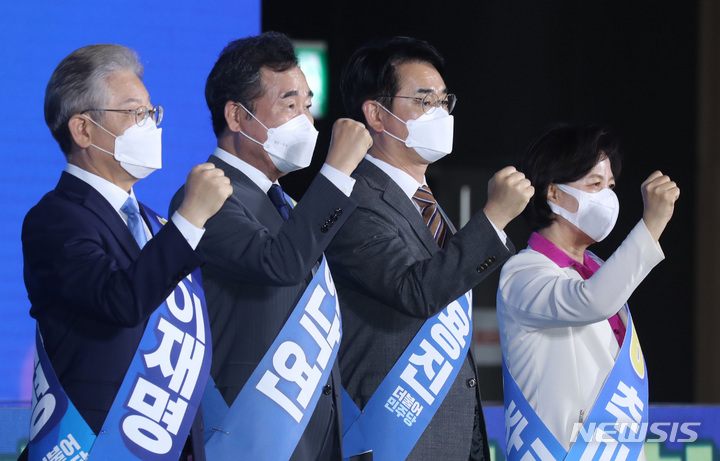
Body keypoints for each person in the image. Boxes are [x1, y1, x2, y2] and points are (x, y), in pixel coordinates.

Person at [324, 36, 534, 460]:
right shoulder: (354, 198)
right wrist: (493, 219)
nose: (439, 113)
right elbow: (416, 290)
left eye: (443, 101)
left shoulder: (426, 202)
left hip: (452, 431)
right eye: (423, 101)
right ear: (376, 114)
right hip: (392, 433)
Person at [21, 44, 232, 461]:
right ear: (83, 130)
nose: (151, 126)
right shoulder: (54, 219)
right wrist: (190, 219)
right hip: (95, 445)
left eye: (153, 113)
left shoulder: (157, 223)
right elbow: (120, 300)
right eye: (135, 113)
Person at [169, 32, 371, 460]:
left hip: (313, 431)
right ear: (237, 117)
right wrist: (336, 172)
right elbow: (278, 263)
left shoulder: (288, 203)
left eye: (308, 106)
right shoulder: (207, 194)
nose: (306, 121)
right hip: (250, 428)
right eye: (289, 105)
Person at [496, 123, 679, 459]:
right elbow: (592, 301)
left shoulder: (596, 266)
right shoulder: (523, 274)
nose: (608, 197)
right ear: (552, 192)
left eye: (610, 186)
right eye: (594, 184)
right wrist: (650, 225)